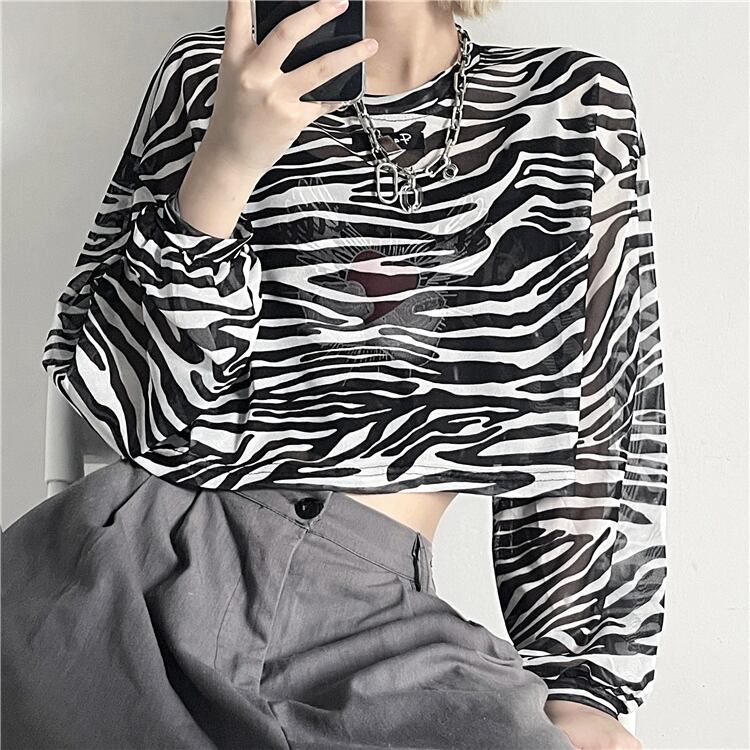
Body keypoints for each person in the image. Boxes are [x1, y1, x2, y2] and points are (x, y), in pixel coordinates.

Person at [1, 0, 667, 747]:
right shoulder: (211, 75)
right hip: (144, 574)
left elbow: (605, 419)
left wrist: (584, 684)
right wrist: (226, 164)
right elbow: (120, 408)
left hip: (377, 626)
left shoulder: (571, 105)